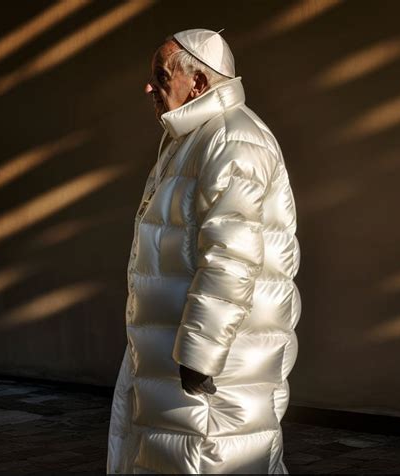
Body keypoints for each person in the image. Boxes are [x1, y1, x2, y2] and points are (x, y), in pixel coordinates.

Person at [107, 28, 301, 474]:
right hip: (182, 355)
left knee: (214, 458)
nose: (149, 87)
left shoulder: (231, 138)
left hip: (213, 365)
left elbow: (231, 254)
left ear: (197, 83)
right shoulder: (195, 138)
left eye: (160, 75)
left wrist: (199, 353)